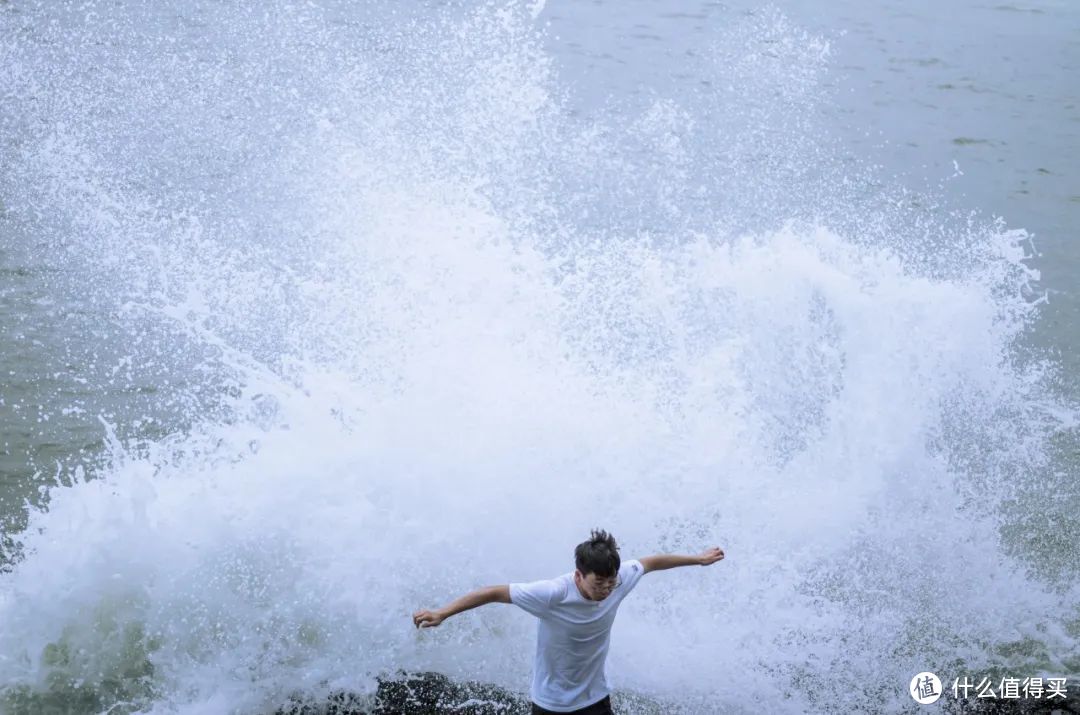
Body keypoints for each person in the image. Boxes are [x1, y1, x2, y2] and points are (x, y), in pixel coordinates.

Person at [411, 529, 725, 714]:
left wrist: (697, 559)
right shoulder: (552, 594)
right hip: (552, 703)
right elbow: (494, 592)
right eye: (598, 582)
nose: (605, 590)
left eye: (610, 582)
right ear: (578, 575)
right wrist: (443, 613)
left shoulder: (620, 579)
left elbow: (651, 562)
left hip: (595, 696)